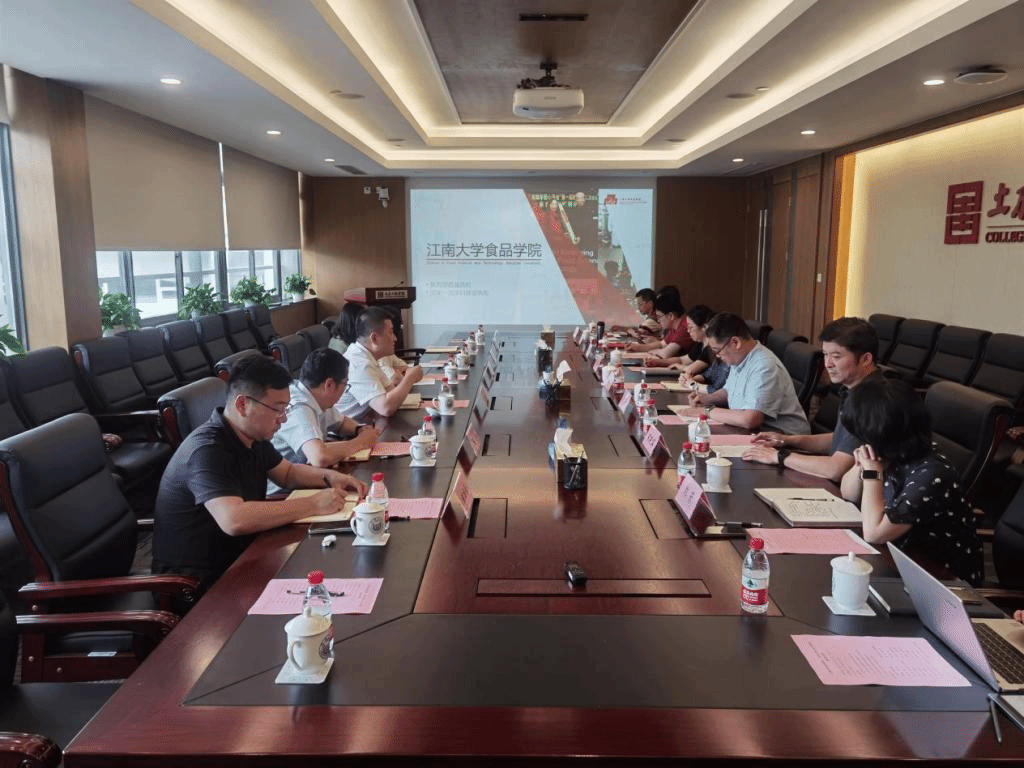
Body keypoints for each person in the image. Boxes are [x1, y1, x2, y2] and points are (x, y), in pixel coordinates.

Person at [152, 355, 368, 593]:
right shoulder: (207, 450)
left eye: (286, 408)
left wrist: (333, 478)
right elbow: (234, 519)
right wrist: (313, 504)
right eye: (277, 409)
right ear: (242, 405)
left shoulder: (252, 436)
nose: (283, 418)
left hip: (242, 557)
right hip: (199, 584)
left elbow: (288, 473)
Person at [838, 377, 983, 586]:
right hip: (901, 561)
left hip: (944, 584)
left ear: (884, 432)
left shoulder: (932, 475)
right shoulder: (893, 452)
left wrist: (872, 473)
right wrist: (861, 465)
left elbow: (874, 533)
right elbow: (847, 493)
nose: (863, 440)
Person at [742, 317, 882, 482]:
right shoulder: (854, 389)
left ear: (866, 359)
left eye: (836, 356)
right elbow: (842, 441)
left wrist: (780, 456)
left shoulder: (872, 400)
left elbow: (835, 470)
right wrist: (787, 440)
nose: (828, 364)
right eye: (825, 355)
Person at [687, 312, 810, 434]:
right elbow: (728, 391)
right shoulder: (740, 357)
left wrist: (707, 411)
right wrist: (708, 399)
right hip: (755, 433)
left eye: (717, 351)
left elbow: (750, 419)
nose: (717, 356)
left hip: (785, 439)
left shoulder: (764, 366)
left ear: (735, 342)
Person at [272, 347, 382, 472]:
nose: (345, 389)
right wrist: (361, 442)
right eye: (345, 385)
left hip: (307, 473)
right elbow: (319, 457)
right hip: (288, 483)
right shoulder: (298, 408)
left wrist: (360, 429)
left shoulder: (316, 396)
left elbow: (341, 423)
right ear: (329, 385)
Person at [336, 306, 423, 418]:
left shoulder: (367, 356)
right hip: (345, 428)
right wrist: (409, 378)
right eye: (390, 333)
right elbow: (385, 408)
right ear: (374, 338)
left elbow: (391, 392)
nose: (395, 338)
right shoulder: (360, 364)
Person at [626, 295, 691, 355]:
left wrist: (649, 351)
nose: (658, 320)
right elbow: (661, 344)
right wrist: (636, 347)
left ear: (671, 316)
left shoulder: (684, 327)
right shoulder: (674, 327)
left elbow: (665, 354)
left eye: (659, 316)